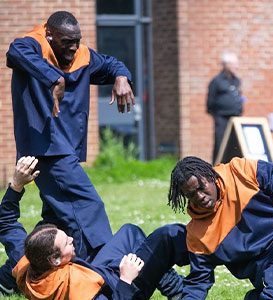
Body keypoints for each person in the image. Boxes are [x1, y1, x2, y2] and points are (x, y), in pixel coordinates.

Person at [6, 11, 134, 262]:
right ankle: (103, 269)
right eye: (67, 41)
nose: (74, 47)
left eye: (77, 40)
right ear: (50, 34)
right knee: (87, 208)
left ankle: (12, 275)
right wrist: (54, 78)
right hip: (47, 149)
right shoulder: (31, 46)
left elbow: (110, 63)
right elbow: (14, 51)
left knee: (55, 222)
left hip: (67, 150)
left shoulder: (81, 56)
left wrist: (121, 76)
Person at [0, 156, 188, 299]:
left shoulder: (26, 261)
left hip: (97, 272)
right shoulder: (76, 287)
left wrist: (16, 185)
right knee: (164, 238)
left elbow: (6, 224)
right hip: (120, 290)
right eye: (66, 242)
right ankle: (178, 291)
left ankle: (173, 284)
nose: (71, 238)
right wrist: (126, 279)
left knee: (130, 232)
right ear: (55, 260)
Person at [168, 156, 273, 299]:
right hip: (266, 264)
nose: (200, 196)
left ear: (210, 176)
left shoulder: (242, 170)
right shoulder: (197, 233)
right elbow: (198, 282)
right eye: (191, 194)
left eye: (201, 187)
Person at [206, 52, 244, 164]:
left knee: (236, 145)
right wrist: (216, 116)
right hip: (222, 118)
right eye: (234, 64)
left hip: (236, 118)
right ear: (226, 65)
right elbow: (210, 103)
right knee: (220, 144)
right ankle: (216, 168)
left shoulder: (236, 80)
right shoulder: (216, 81)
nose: (236, 67)